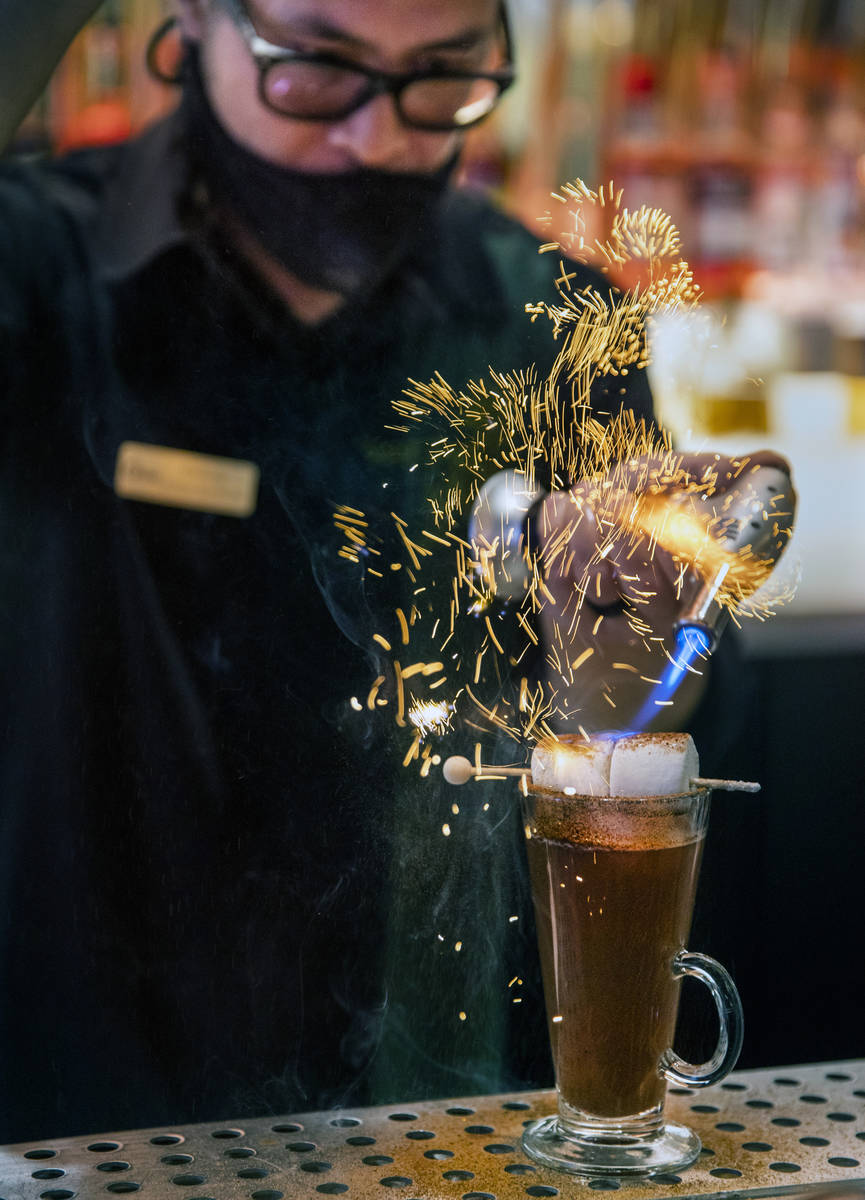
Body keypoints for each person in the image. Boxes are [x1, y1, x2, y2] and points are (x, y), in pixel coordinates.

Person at [0, 0, 789, 1145]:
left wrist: (625, 684)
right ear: (194, 24)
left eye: (441, 77)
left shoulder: (549, 324)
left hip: (440, 1107)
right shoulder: (34, 272)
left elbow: (669, 693)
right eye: (316, 68)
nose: (374, 139)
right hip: (78, 1097)